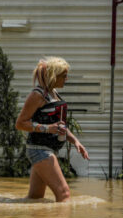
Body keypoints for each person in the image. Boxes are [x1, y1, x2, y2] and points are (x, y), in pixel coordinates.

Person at [15, 57, 89, 202]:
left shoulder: (53, 93)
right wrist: (48, 128)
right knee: (64, 193)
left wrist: (76, 142)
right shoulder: (37, 95)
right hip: (39, 149)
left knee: (35, 198)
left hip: (46, 149)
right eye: (64, 76)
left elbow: (59, 126)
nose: (66, 79)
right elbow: (20, 123)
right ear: (53, 76)